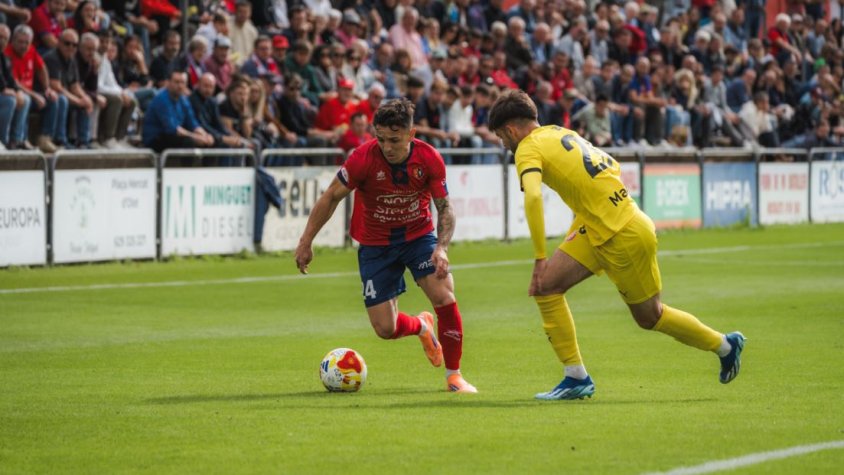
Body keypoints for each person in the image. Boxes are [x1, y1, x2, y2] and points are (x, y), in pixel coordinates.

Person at [487, 89, 745, 400]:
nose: (504, 144)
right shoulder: (559, 132)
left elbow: (532, 197)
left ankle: (725, 345)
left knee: (650, 316)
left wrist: (540, 256)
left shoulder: (527, 148)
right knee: (547, 287)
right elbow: (610, 166)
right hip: (604, 224)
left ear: (511, 129)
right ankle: (575, 377)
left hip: (622, 234)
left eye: (502, 136)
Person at [295, 98, 477, 393]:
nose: (386, 146)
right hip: (375, 244)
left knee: (444, 295)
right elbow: (330, 196)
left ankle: (454, 376)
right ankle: (421, 326)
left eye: (394, 139)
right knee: (385, 329)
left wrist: (441, 247)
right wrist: (306, 242)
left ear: (411, 133)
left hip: (418, 237)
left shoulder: (429, 158)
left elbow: (445, 208)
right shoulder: (362, 158)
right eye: (380, 138)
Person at [142, 71, 215, 152]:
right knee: (188, 142)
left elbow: (193, 123)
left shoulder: (184, 100)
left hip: (173, 137)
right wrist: (196, 137)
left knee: (210, 142)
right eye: (176, 82)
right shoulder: (161, 99)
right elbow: (173, 129)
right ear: (168, 83)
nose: (180, 86)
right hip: (156, 139)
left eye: (183, 82)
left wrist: (205, 136)